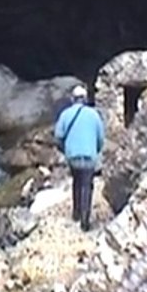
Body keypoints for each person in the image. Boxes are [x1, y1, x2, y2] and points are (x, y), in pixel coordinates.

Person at [54, 83, 105, 231]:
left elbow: (58, 136)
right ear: (85, 99)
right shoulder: (94, 115)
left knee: (76, 181)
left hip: (73, 156)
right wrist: (96, 150)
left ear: (72, 99)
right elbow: (100, 138)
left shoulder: (65, 115)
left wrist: (65, 150)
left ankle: (76, 213)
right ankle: (85, 220)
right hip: (89, 156)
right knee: (87, 185)